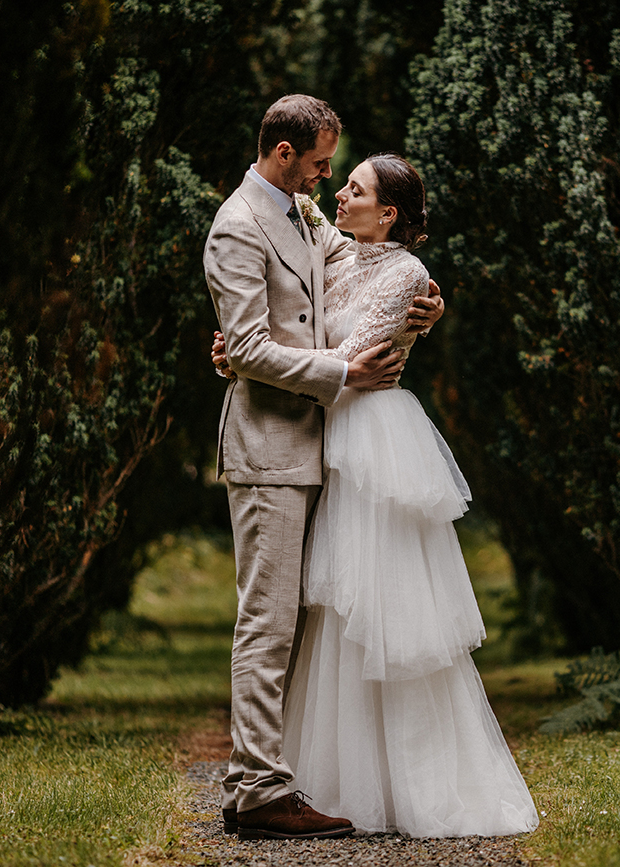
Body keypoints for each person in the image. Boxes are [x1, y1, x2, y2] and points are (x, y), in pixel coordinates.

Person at [217, 154, 540, 838]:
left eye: (355, 188)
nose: (338, 192)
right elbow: (302, 316)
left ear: (387, 213)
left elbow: (354, 354)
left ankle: (411, 783)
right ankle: (325, 777)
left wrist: (263, 352)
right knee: (332, 611)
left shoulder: (408, 276)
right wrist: (243, 349)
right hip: (326, 430)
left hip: (373, 443)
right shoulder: (335, 249)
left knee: (384, 609)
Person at [202, 95, 443, 842]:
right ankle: (262, 792)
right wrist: (339, 370)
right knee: (267, 624)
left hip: (314, 448)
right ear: (282, 154)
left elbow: (360, 273)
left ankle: (252, 782)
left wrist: (424, 304)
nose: (327, 178)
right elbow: (244, 346)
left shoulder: (301, 216)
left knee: (292, 625)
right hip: (270, 451)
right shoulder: (237, 227)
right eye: (318, 164)